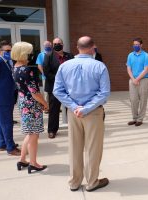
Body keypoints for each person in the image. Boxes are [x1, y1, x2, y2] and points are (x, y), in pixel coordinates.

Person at [53, 36, 110, 192]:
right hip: (93, 113)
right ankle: (92, 182)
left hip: (73, 112)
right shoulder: (99, 66)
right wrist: (85, 108)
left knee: (74, 147)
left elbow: (57, 91)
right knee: (93, 148)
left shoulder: (64, 66)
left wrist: (73, 106)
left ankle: (74, 182)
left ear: (77, 47)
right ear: (93, 48)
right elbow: (104, 93)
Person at [12, 41, 48, 173]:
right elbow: (35, 92)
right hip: (31, 105)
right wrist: (45, 103)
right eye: (29, 52)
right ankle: (33, 163)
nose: (31, 54)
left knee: (29, 133)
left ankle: (22, 159)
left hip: (23, 102)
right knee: (34, 135)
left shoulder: (15, 67)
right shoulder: (27, 70)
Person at [43, 37, 74, 139]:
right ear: (52, 45)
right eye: (55, 43)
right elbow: (46, 72)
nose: (57, 45)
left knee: (71, 108)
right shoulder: (48, 56)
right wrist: (60, 81)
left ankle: (74, 128)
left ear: (63, 44)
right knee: (54, 110)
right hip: (54, 88)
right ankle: (52, 130)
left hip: (69, 88)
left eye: (59, 43)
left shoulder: (69, 56)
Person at [126, 38, 148, 126]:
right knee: (133, 100)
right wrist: (133, 79)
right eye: (134, 44)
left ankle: (140, 119)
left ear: (141, 45)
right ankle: (134, 118)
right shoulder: (130, 55)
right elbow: (128, 68)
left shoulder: (146, 55)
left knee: (143, 100)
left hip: (144, 80)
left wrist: (137, 79)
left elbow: (146, 69)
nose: (135, 46)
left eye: (137, 44)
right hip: (132, 80)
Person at [36, 40, 52, 108]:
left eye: (49, 46)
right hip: (45, 77)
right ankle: (46, 107)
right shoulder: (41, 55)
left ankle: (53, 106)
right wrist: (44, 73)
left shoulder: (53, 54)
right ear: (44, 46)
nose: (48, 47)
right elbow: (39, 65)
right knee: (46, 93)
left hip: (54, 77)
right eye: (46, 46)